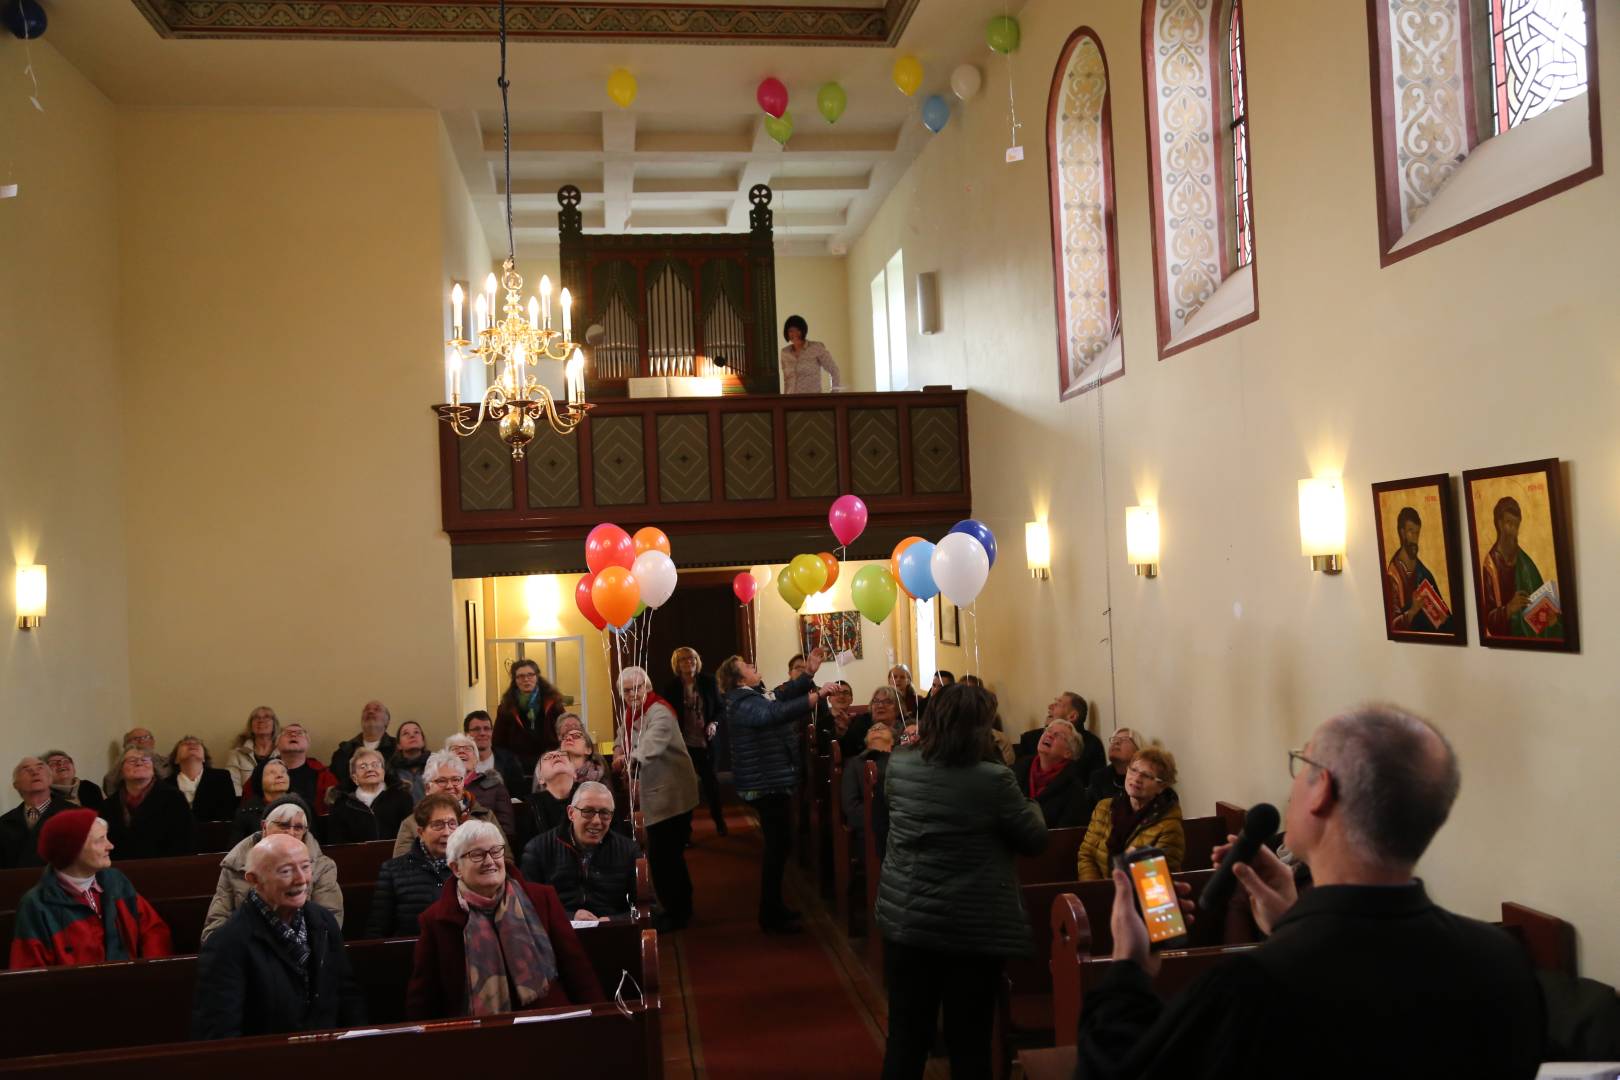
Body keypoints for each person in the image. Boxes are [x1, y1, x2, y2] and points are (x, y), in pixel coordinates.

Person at [1075, 706, 1546, 1079]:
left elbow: (1120, 1069)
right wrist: (1294, 922)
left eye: (1301, 764)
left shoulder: (1252, 988)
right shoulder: (1501, 961)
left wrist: (1129, 970)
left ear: (1321, 792)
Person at [876, 682, 1048, 1079]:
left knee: (906, 1037)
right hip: (971, 928)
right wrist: (1030, 803)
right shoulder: (993, 779)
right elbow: (1034, 839)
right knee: (969, 1041)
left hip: (907, 920)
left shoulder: (900, 765)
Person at [406, 820, 603, 1018]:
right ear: (456, 868)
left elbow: (577, 969)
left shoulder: (541, 898)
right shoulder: (435, 920)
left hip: (547, 1021)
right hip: (477, 1033)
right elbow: (425, 996)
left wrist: (599, 1019)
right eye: (477, 854)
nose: (490, 861)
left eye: (495, 851)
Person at [191, 832, 364, 1039]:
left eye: (306, 867)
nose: (301, 879)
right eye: (286, 871)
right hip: (266, 1063)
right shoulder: (227, 943)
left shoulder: (323, 921)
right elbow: (220, 1034)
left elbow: (347, 996)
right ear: (254, 880)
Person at [718, 648, 823, 933]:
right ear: (739, 680)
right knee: (777, 849)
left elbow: (782, 693)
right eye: (747, 666)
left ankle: (774, 907)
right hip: (765, 784)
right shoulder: (741, 702)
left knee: (780, 846)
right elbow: (774, 713)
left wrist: (809, 673)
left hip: (771, 780)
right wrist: (813, 697)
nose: (754, 666)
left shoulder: (753, 695)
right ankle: (770, 913)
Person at [9, 809, 172, 968]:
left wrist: (148, 974)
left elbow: (153, 930)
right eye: (100, 840)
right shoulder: (36, 905)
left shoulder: (115, 882)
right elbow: (30, 974)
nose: (110, 846)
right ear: (73, 850)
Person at [617, 665, 700, 930]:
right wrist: (620, 751)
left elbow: (652, 742)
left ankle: (678, 912)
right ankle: (674, 907)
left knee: (667, 856)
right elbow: (623, 737)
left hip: (672, 794)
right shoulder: (632, 713)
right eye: (627, 690)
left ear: (648, 687)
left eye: (638, 688)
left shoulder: (659, 711)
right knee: (663, 856)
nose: (633, 694)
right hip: (655, 792)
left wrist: (631, 761)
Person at [204, 795, 343, 942]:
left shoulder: (322, 867)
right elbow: (213, 930)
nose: (291, 833)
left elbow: (328, 927)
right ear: (264, 827)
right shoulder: (235, 865)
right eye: (283, 825)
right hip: (247, 954)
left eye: (298, 827)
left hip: (302, 953)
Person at [521, 782, 638, 921]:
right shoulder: (538, 849)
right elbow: (526, 908)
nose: (596, 821)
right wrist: (569, 917)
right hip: (558, 934)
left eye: (605, 813)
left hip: (611, 934)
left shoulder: (628, 850)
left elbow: (649, 911)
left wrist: (612, 921)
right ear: (571, 813)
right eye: (588, 812)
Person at [1076, 745, 1184, 879]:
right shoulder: (1104, 807)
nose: (1136, 778)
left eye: (1146, 775)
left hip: (1140, 896)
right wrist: (1096, 890)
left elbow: (1158, 877)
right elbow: (1086, 855)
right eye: (1133, 770)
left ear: (1161, 787)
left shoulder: (1169, 826)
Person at [368, 794, 461, 938]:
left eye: (452, 823)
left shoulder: (468, 866)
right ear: (421, 832)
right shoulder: (392, 870)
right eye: (438, 825)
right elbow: (378, 929)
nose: (447, 832)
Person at [662, 646, 728, 835]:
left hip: (706, 742)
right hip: (684, 744)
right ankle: (686, 830)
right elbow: (666, 716)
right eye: (683, 659)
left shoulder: (708, 681)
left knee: (711, 784)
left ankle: (719, 820)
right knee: (685, 787)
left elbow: (721, 708)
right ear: (677, 664)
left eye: (691, 658)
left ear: (697, 661)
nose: (688, 662)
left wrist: (714, 723)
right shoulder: (672, 687)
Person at [393, 752, 504, 857]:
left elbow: (504, 857)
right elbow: (402, 867)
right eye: (442, 781)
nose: (450, 786)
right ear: (427, 788)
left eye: (456, 780)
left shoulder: (485, 816)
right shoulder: (411, 823)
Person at [1481, 495, 1561, 640]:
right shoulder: (1490, 565)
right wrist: (1508, 609)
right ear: (1499, 523)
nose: (1512, 530)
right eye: (1508, 523)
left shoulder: (1525, 563)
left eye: (1516, 525)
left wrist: (1552, 619)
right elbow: (1488, 620)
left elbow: (1544, 603)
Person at [104, 747, 193, 859]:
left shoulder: (174, 798)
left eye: (145, 760)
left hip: (165, 867)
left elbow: (185, 841)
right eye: (132, 760)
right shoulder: (109, 805)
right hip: (120, 870)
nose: (139, 763)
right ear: (120, 770)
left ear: (153, 769)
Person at [1384, 505, 1454, 633]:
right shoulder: (1393, 575)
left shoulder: (1423, 572)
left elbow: (1443, 615)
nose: (1415, 539)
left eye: (1417, 533)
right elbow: (1392, 625)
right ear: (1402, 532)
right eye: (1411, 532)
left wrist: (1444, 618)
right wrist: (1412, 611)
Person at [1012, 718, 1091, 827]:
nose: (1049, 735)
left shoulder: (1073, 787)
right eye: (1048, 730)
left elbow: (1066, 835)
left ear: (1068, 753)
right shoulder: (1018, 769)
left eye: (1059, 735)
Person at [248, 723, 338, 819]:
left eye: (299, 733)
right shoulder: (261, 772)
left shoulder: (324, 775)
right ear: (277, 743)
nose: (293, 735)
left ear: (308, 744)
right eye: (287, 733)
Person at [325, 748, 414, 844]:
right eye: (363, 767)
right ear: (354, 778)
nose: (370, 769)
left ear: (383, 772)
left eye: (375, 765)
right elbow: (338, 844)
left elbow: (410, 836)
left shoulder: (402, 798)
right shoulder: (342, 805)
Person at [493, 658, 565, 775]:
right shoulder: (506, 708)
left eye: (530, 675)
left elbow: (566, 731)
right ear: (514, 680)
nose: (526, 679)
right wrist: (511, 763)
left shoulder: (553, 703)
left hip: (551, 764)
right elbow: (498, 743)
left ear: (537, 677)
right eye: (520, 676)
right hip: (518, 769)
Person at [445, 733, 517, 840]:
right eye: (455, 749)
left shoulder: (495, 787)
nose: (461, 751)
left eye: (467, 748)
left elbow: (507, 830)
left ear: (476, 759)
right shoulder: (439, 788)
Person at [1017, 691, 1105, 778]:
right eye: (1049, 731)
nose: (1050, 707)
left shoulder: (1092, 745)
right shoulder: (1029, 739)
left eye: (1057, 704)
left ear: (1072, 716)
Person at [2, 757, 70, 868]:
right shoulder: (4, 823)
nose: (34, 772)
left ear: (50, 779)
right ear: (16, 785)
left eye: (40, 767)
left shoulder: (75, 815)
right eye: (26, 769)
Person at [840, 722, 894, 860]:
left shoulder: (900, 762)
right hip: (871, 832)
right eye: (873, 729)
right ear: (866, 740)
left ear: (893, 739)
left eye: (882, 728)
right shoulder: (854, 764)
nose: (877, 729)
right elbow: (851, 807)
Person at [162, 736, 239, 821]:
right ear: (176, 759)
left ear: (204, 758)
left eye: (197, 743)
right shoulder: (165, 785)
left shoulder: (222, 777)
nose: (192, 744)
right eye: (185, 743)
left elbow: (228, 813)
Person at [329, 700, 398, 792]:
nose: (370, 712)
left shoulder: (398, 748)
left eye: (377, 709)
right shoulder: (344, 751)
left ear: (387, 721)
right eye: (366, 710)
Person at [1081, 727, 1147, 820]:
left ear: (1138, 751)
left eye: (1124, 739)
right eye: (1114, 739)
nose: (1116, 742)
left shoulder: (1145, 781)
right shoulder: (1098, 778)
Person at [465, 709, 529, 797]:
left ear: (492, 732)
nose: (482, 733)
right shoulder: (457, 763)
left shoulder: (509, 761)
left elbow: (520, 796)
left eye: (487, 729)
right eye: (476, 729)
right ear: (466, 734)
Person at [231, 758, 293, 844]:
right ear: (259, 780)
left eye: (283, 772)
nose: (280, 775)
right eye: (272, 772)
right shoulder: (246, 811)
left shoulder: (303, 807)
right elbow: (236, 850)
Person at [779, 314, 844, 393]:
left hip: (812, 400)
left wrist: (834, 394)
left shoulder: (816, 348)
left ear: (803, 331)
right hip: (791, 401)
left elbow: (834, 370)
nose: (795, 333)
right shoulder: (785, 353)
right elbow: (787, 380)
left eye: (798, 330)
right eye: (791, 331)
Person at [224, 705, 280, 796]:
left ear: (274, 725)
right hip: (246, 805)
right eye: (256, 718)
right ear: (251, 726)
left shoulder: (283, 753)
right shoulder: (237, 754)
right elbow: (232, 785)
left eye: (267, 717)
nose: (261, 720)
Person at [528, 750, 579, 840]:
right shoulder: (529, 807)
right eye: (547, 757)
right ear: (540, 778)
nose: (556, 756)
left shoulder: (594, 797)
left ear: (575, 773)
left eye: (562, 755)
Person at [817, 680, 873, 760]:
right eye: (837, 693)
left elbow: (862, 748)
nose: (841, 696)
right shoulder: (821, 723)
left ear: (851, 700)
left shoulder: (861, 721)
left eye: (846, 693)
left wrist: (848, 729)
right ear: (829, 699)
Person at [103, 727, 171, 791]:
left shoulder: (168, 762)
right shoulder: (116, 772)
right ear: (125, 745)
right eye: (135, 738)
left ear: (153, 741)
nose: (141, 741)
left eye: (146, 737)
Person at [556, 713, 607, 784]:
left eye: (576, 736)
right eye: (566, 726)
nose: (569, 737)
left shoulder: (598, 763)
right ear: (559, 736)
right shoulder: (548, 763)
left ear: (588, 749)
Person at [389, 720, 431, 801]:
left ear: (423, 741)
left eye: (416, 732)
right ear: (399, 745)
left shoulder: (435, 765)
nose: (412, 735)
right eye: (405, 733)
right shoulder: (391, 771)